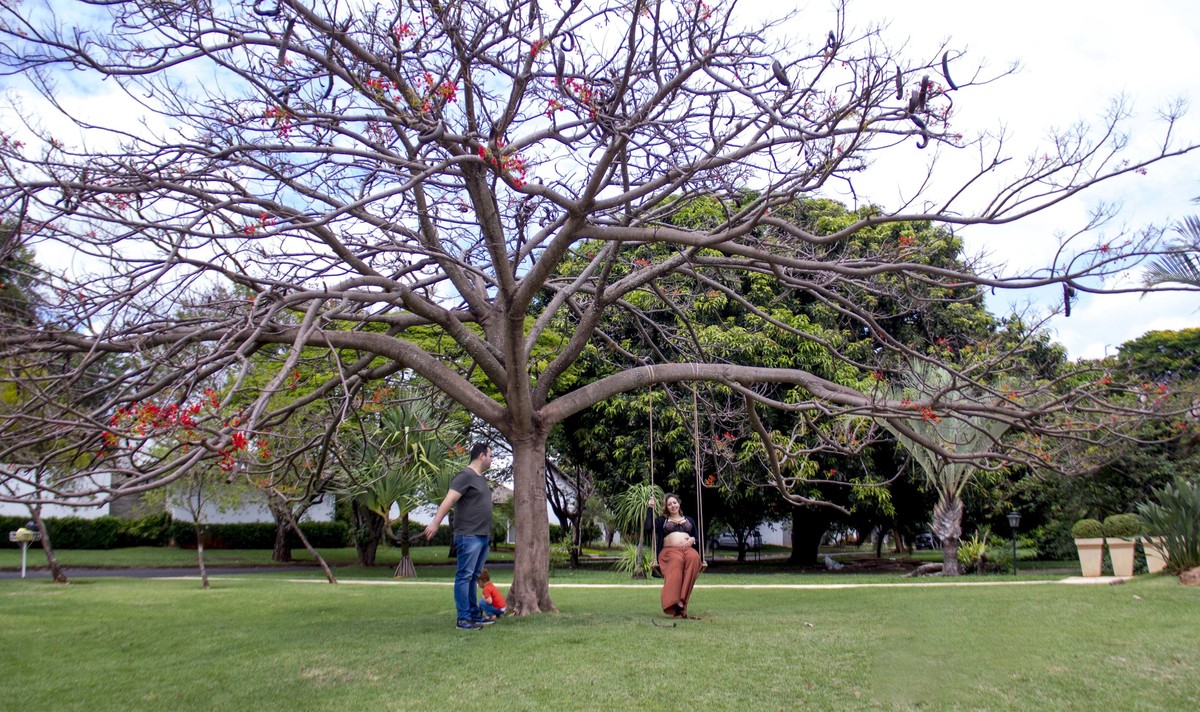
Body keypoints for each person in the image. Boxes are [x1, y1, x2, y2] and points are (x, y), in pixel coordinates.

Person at [424, 442, 495, 630]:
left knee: (473, 577)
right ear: (481, 455)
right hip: (468, 536)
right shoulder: (465, 476)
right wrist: (435, 522)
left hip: (482, 536)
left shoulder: (480, 478)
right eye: (490, 455)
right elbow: (450, 499)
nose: (491, 459)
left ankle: (474, 615)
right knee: (464, 576)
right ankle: (463, 619)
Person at [647, 493, 705, 618]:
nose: (672, 506)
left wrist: (693, 540)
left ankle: (682, 601)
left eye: (674, 503)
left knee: (694, 558)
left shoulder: (690, 520)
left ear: (679, 503)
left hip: (688, 549)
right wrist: (650, 509)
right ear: (666, 507)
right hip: (669, 552)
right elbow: (648, 527)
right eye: (669, 504)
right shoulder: (662, 520)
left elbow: (698, 538)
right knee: (677, 561)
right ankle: (672, 603)